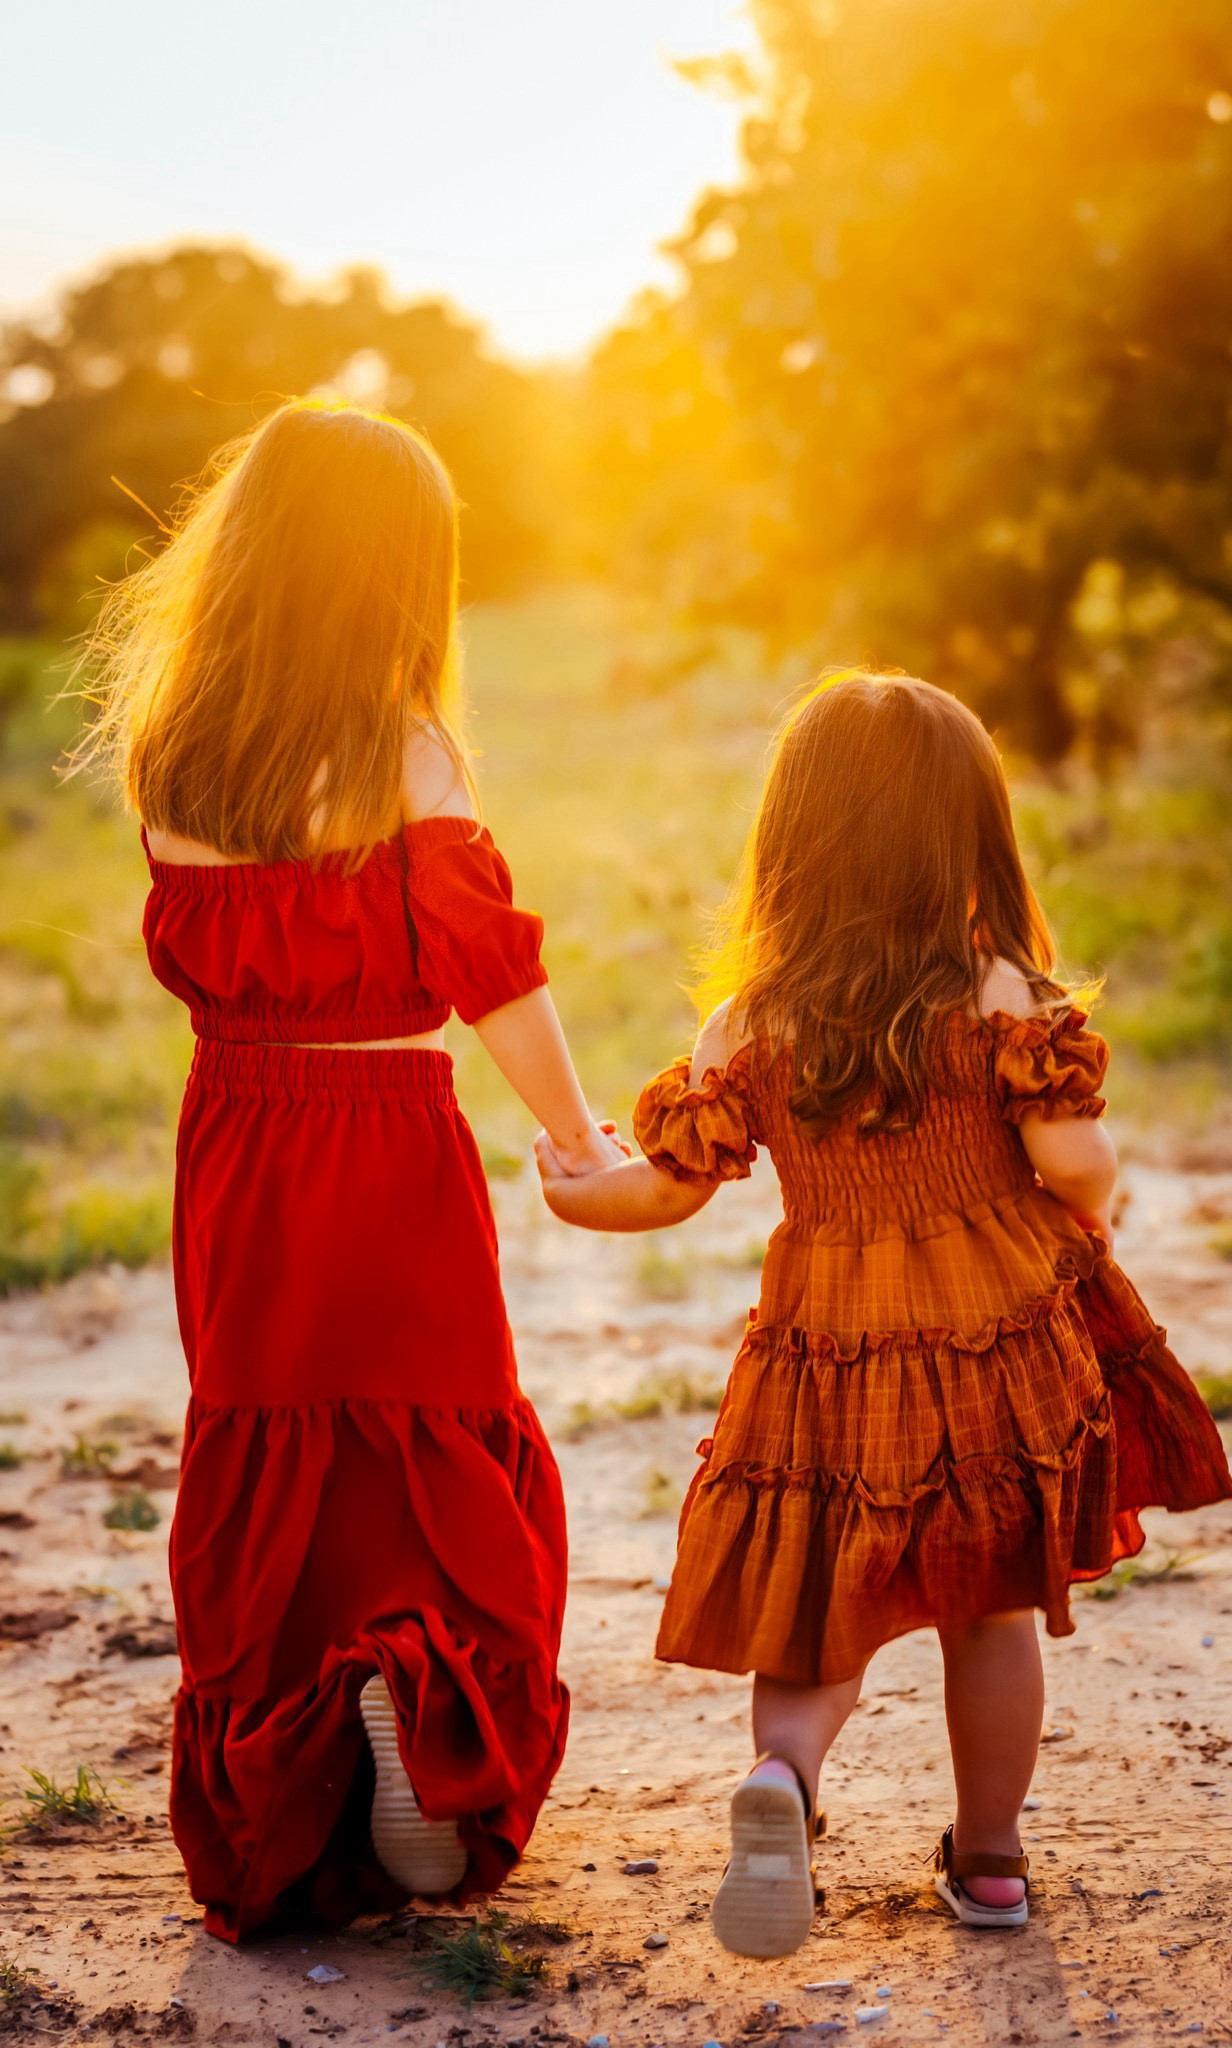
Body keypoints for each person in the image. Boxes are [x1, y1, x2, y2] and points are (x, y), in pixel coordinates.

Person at [536, 671, 1232, 1958]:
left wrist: (576, 1191)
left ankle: (785, 1780)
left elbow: (669, 1191)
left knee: (821, 1600)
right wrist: (1092, 1203)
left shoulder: (753, 1017)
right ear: (969, 835)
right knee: (992, 1606)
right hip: (995, 1342)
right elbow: (1074, 1157)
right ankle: (992, 1860)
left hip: (828, 1354)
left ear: (794, 841)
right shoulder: (1002, 992)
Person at [76, 396, 621, 1942]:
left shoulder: (179, 758)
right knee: (425, 1433)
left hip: (242, 1146)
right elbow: (491, 975)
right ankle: (417, 1704)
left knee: (272, 1433)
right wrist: (579, 1141)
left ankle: (304, 1777)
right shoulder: (405, 752)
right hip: (388, 1136)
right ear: (396, 578)